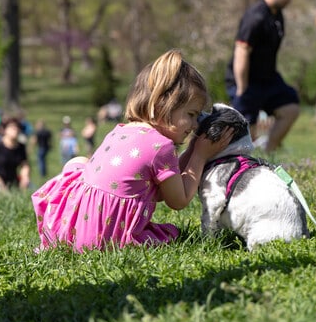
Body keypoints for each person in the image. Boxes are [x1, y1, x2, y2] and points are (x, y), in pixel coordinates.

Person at [33, 49, 233, 252]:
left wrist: (192, 148)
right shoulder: (160, 147)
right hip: (106, 238)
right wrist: (200, 155)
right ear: (165, 104)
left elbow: (164, 187)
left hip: (71, 229)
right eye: (191, 114)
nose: (194, 124)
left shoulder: (121, 131)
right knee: (170, 233)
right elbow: (178, 200)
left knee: (79, 162)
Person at [225, 0, 300, 152]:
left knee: (291, 108)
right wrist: (242, 88)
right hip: (246, 79)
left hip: (268, 79)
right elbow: (241, 52)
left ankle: (270, 153)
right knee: (245, 130)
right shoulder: (255, 17)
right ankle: (236, 164)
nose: (288, 0)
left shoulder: (277, 15)